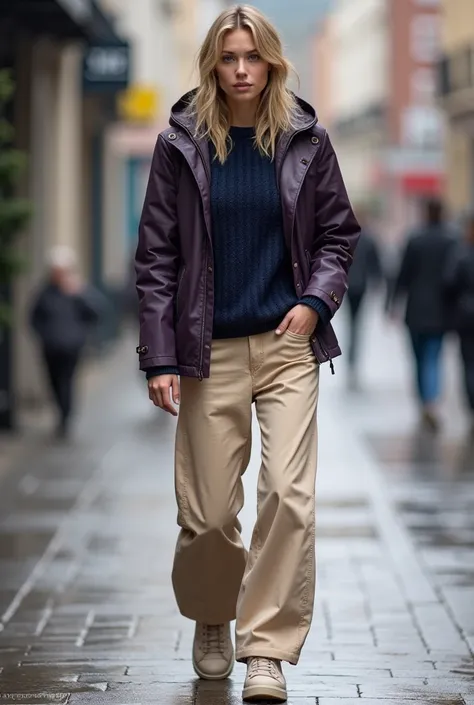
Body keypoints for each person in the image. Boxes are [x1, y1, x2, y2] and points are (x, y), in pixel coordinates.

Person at [135, 5, 360, 702]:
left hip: (288, 343)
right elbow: (156, 258)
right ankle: (211, 614)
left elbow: (337, 235)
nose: (240, 70)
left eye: (252, 58)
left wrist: (314, 302)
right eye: (228, 58)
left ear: (272, 62)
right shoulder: (182, 143)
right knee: (205, 514)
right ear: (213, 62)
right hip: (207, 348)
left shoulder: (304, 138)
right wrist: (160, 355)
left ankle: (265, 648)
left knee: (290, 498)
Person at [389, 199, 455, 431]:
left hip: (415, 309)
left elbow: (402, 275)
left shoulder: (415, 240)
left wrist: (392, 304)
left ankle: (424, 400)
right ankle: (431, 400)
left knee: (418, 358)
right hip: (440, 311)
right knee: (433, 356)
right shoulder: (451, 241)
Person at [30, 246, 104, 438]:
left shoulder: (78, 290)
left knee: (67, 382)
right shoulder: (45, 292)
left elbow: (96, 312)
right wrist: (44, 335)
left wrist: (79, 294)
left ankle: (65, 417)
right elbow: (33, 318)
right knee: (53, 382)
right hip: (50, 346)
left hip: (72, 347)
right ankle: (61, 413)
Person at [444, 213, 474, 432]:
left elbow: (449, 283)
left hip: (466, 317)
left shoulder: (462, 254)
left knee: (468, 363)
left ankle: (472, 403)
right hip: (465, 316)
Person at [346, 206, 382, 387]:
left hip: (347, 286)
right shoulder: (368, 238)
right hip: (359, 287)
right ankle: (353, 359)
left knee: (352, 323)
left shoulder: (346, 237)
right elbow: (376, 265)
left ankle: (352, 360)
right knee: (356, 324)